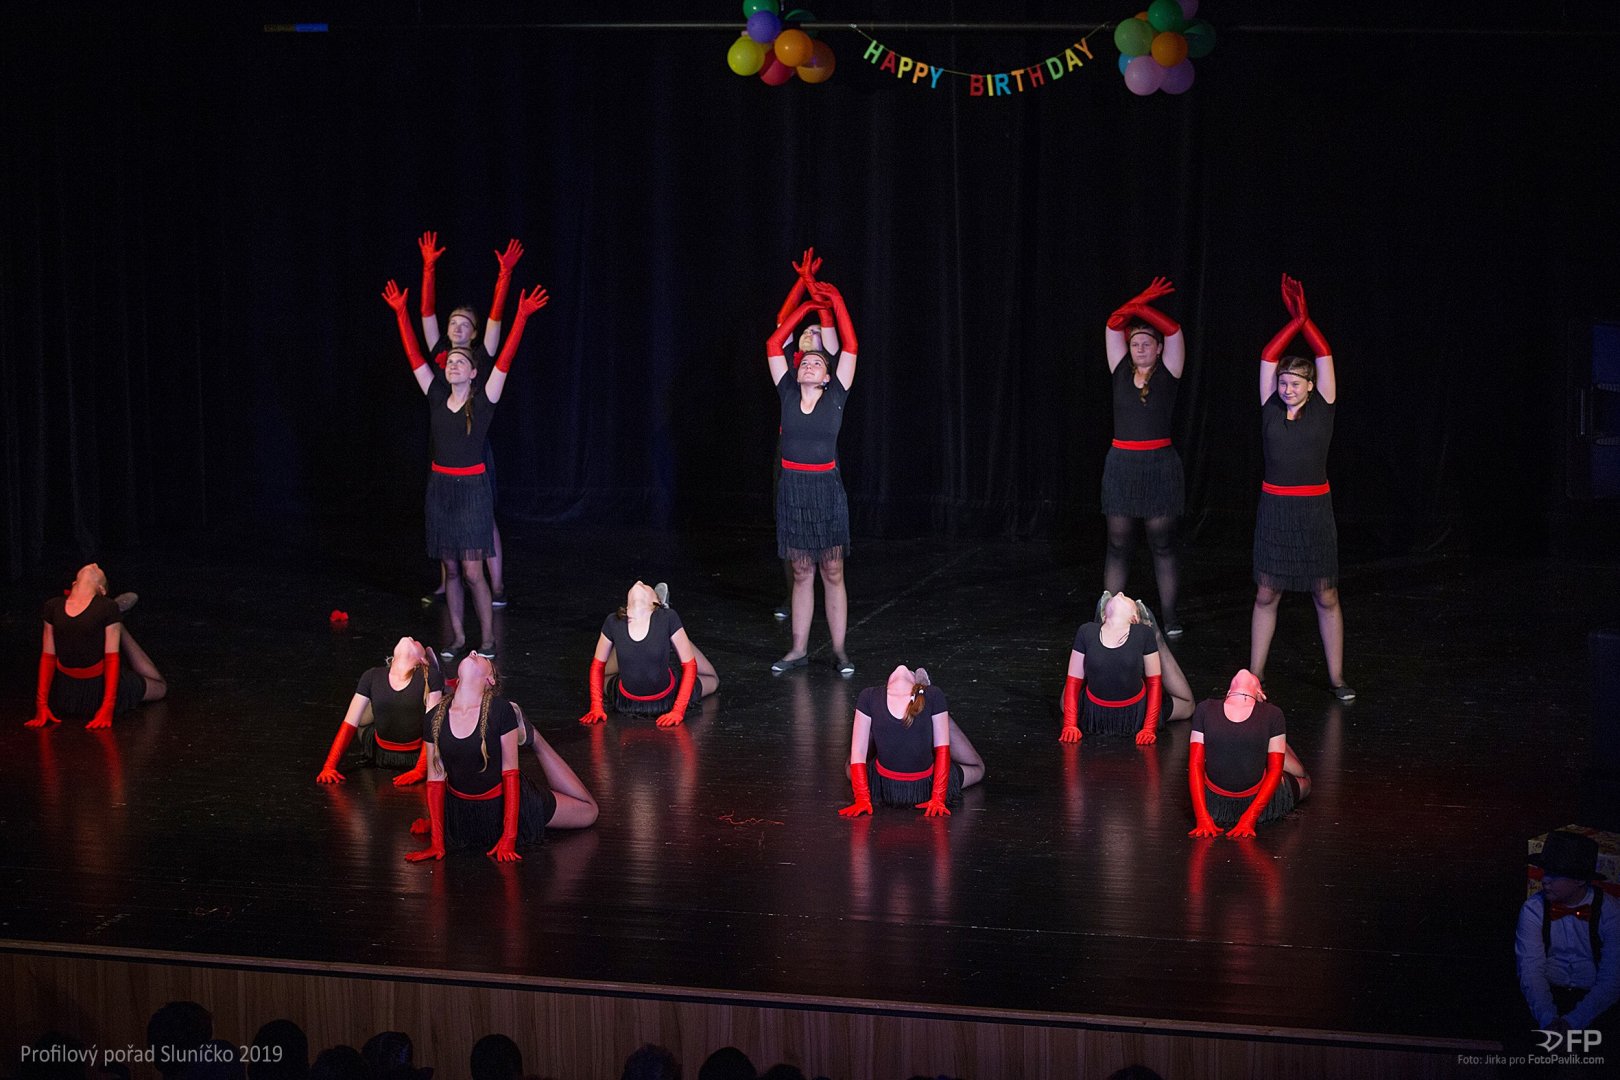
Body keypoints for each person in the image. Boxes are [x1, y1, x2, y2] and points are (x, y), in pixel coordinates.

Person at [382, 276, 547, 661]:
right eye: (450, 361)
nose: (454, 364)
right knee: (452, 571)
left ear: (473, 372)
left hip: (472, 492)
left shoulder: (484, 400)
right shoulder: (436, 395)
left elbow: (504, 360)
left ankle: (488, 639)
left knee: (473, 572)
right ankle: (456, 638)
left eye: (461, 361)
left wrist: (521, 317)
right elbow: (414, 356)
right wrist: (401, 313)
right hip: (441, 491)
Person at [1250, 274, 1353, 702]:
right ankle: (1255, 676)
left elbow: (1324, 353)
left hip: (1314, 513)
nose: (1287, 388)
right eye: (1283, 382)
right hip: (1275, 511)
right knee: (1267, 592)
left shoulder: (1324, 406)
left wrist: (1305, 320)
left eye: (1295, 383)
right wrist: (1293, 321)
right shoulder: (1270, 408)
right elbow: (1268, 355)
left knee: (1325, 594)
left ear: (1311, 387)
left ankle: (1337, 678)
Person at [416, 231, 524, 609]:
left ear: (474, 333)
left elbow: (496, 319)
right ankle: (448, 581)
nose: (458, 328)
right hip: (443, 445)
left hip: (472, 447)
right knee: (445, 516)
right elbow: (426, 314)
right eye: (454, 323)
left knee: (481, 518)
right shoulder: (440, 355)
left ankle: (496, 585)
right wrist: (428, 268)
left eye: (465, 324)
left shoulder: (481, 355)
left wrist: (504, 276)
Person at [405, 654, 597, 863]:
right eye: (473, 654)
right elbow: (435, 781)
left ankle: (535, 738)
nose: (473, 652)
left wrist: (509, 837)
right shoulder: (433, 717)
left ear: (490, 679)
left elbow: (511, 776)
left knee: (589, 812)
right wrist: (437, 843)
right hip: (462, 810)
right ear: (458, 680)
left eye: (482, 658)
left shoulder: (500, 710)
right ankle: (527, 733)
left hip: (506, 805)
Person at [766, 263, 859, 676]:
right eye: (805, 362)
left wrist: (833, 300)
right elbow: (774, 341)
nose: (808, 365)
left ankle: (839, 651)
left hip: (825, 488)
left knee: (832, 570)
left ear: (826, 377)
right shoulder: (787, 391)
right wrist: (804, 305)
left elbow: (850, 344)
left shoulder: (836, 395)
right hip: (793, 489)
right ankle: (798, 649)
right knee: (802, 571)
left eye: (817, 364)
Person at [1101, 277, 1187, 636]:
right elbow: (1113, 324)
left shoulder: (1170, 371)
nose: (1139, 348)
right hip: (1122, 466)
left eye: (1146, 343)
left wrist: (1140, 307)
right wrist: (1138, 301)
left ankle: (1170, 618)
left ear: (1158, 348)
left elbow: (1175, 329)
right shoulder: (1120, 369)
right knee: (1118, 544)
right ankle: (1108, 617)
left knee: (1162, 544)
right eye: (1134, 342)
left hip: (1159, 467)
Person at [769, 248, 839, 621]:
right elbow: (783, 320)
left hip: (820, 454)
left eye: (816, 332)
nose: (810, 334)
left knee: (824, 534)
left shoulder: (828, 367)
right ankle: (791, 593)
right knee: (790, 528)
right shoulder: (793, 369)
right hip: (789, 450)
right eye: (806, 331)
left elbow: (831, 330)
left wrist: (819, 301)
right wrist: (802, 284)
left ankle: (827, 592)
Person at [27, 563, 166, 729]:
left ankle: (117, 624)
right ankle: (118, 623)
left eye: (98, 570)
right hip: (68, 690)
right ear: (74, 583)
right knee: (159, 686)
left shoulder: (105, 607)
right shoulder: (53, 606)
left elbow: (112, 660)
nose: (94, 564)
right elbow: (48, 658)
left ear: (101, 590)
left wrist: (108, 706)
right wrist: (41, 705)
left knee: (160, 688)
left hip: (99, 687)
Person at [839, 665, 985, 817]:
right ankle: (930, 717)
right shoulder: (933, 694)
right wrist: (938, 798)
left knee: (853, 759)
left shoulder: (869, 696)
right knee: (978, 768)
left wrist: (862, 798)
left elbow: (858, 753)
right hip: (925, 787)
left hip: (883, 787)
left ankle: (909, 724)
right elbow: (942, 749)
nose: (902, 667)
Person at [1516, 830, 1620, 1038]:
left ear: (1580, 880)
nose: (1545, 880)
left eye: (1555, 874)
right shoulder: (1533, 909)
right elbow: (1530, 971)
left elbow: (1612, 979)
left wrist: (1572, 1023)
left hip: (1596, 1000)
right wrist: (1549, 1020)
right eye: (1546, 872)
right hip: (1548, 995)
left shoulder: (1611, 912)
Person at [1187, 670, 1310, 838]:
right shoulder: (1271, 714)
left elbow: (1196, 764)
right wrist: (1202, 817)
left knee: (1288, 769)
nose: (1245, 672)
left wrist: (1249, 818)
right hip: (1222, 801)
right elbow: (1195, 764)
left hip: (1229, 802)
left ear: (1260, 694)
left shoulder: (1206, 708)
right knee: (1305, 782)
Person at [578, 582, 719, 728]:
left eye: (646, 586)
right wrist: (596, 707)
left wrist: (678, 710)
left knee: (713, 680)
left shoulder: (668, 617)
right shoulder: (613, 621)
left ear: (655, 603)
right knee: (603, 674)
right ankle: (670, 636)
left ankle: (673, 635)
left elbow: (689, 665)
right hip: (627, 701)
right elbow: (597, 666)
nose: (639, 583)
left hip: (667, 696)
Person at [317, 637, 444, 785]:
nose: (410, 638)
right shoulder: (372, 675)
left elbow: (433, 725)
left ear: (422, 660)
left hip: (413, 756)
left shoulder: (430, 677)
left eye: (415, 642)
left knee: (437, 711)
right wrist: (329, 766)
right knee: (369, 707)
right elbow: (349, 723)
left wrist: (421, 769)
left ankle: (437, 691)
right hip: (380, 752)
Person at [1060, 592, 1164, 744]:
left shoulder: (1143, 632)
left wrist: (1149, 727)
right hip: (1095, 711)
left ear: (1134, 617)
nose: (1120, 593)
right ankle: (1099, 628)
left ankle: (1156, 632)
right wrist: (1070, 724)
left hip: (1135, 712)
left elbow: (1154, 682)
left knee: (1187, 705)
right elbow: (1073, 680)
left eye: (1126, 598)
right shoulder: (1085, 631)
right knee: (1065, 702)